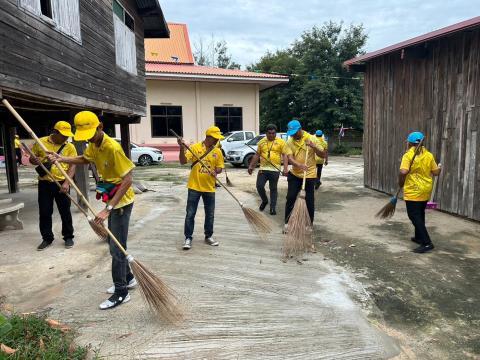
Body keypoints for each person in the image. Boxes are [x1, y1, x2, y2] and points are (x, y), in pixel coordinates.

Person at [48, 111, 136, 309]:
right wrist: (61, 159)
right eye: (84, 135)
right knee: (117, 244)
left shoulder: (112, 147)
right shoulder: (94, 145)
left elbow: (128, 179)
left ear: (101, 127)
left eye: (90, 133)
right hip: (111, 199)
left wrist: (109, 208)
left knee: (116, 248)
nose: (87, 138)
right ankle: (129, 279)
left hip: (121, 203)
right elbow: (85, 158)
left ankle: (121, 291)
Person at [30, 121, 77, 251]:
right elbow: (32, 159)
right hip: (45, 183)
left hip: (62, 182)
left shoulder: (69, 147)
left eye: (68, 135)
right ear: (55, 132)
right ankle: (47, 238)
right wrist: (34, 160)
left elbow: (73, 165)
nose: (66, 138)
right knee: (45, 211)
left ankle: (68, 236)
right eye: (63, 135)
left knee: (65, 211)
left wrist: (67, 183)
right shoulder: (40, 142)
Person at [178, 126, 225, 250]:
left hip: (210, 187)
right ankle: (188, 237)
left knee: (210, 214)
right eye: (215, 138)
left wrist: (216, 171)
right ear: (208, 137)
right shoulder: (195, 148)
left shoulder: (217, 151)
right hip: (194, 186)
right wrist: (181, 148)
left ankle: (208, 236)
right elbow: (183, 162)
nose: (216, 141)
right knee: (190, 213)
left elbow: (220, 167)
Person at [399, 131, 441, 254]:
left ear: (410, 143)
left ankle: (427, 243)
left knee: (413, 215)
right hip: (425, 189)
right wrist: (439, 168)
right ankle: (418, 237)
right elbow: (436, 172)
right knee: (420, 214)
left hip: (413, 190)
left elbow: (403, 172)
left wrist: (400, 183)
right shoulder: (429, 155)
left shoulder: (408, 156)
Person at [283, 119, 326, 232]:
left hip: (309, 175)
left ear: (300, 129)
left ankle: (308, 225)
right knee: (290, 197)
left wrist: (313, 147)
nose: (293, 136)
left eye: (295, 133)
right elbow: (290, 158)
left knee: (309, 200)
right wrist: (299, 165)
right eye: (291, 134)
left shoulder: (311, 138)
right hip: (295, 174)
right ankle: (287, 223)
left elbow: (322, 155)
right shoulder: (289, 142)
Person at [247, 124, 288, 215]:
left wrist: (285, 168)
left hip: (275, 169)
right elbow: (257, 155)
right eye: (269, 133)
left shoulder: (281, 142)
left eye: (273, 133)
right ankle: (265, 200)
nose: (271, 135)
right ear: (266, 133)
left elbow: (285, 155)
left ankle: (272, 208)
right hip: (263, 169)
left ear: (275, 133)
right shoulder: (261, 142)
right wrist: (251, 166)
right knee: (259, 186)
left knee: (273, 188)